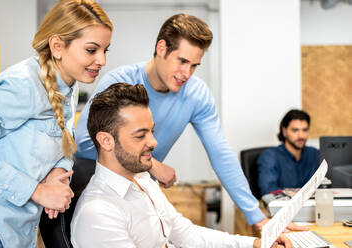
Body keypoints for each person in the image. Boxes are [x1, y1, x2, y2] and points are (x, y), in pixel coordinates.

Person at [75, 13, 270, 229]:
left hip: (141, 191)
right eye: (182, 61)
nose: (186, 73)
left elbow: (221, 154)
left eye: (194, 65)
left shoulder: (197, 94)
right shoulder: (119, 81)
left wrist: (257, 217)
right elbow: (84, 143)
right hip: (100, 192)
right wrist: (152, 165)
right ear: (161, 48)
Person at [70, 83, 291, 248]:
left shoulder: (143, 180)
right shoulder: (98, 213)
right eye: (140, 136)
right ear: (106, 141)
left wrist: (255, 244)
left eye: (152, 131)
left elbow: (186, 234)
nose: (154, 143)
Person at [0, 0, 113, 247]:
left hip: (21, 230)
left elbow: (63, 138)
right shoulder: (19, 85)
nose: (102, 61)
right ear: (57, 46)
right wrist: (37, 191)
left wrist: (58, 172)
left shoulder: (70, 88)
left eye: (106, 50)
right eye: (92, 50)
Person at [257, 109, 319, 199]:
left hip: (313, 208)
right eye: (295, 130)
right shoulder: (270, 156)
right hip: (284, 209)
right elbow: (268, 190)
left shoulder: (314, 154)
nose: (301, 136)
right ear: (284, 131)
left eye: (304, 130)